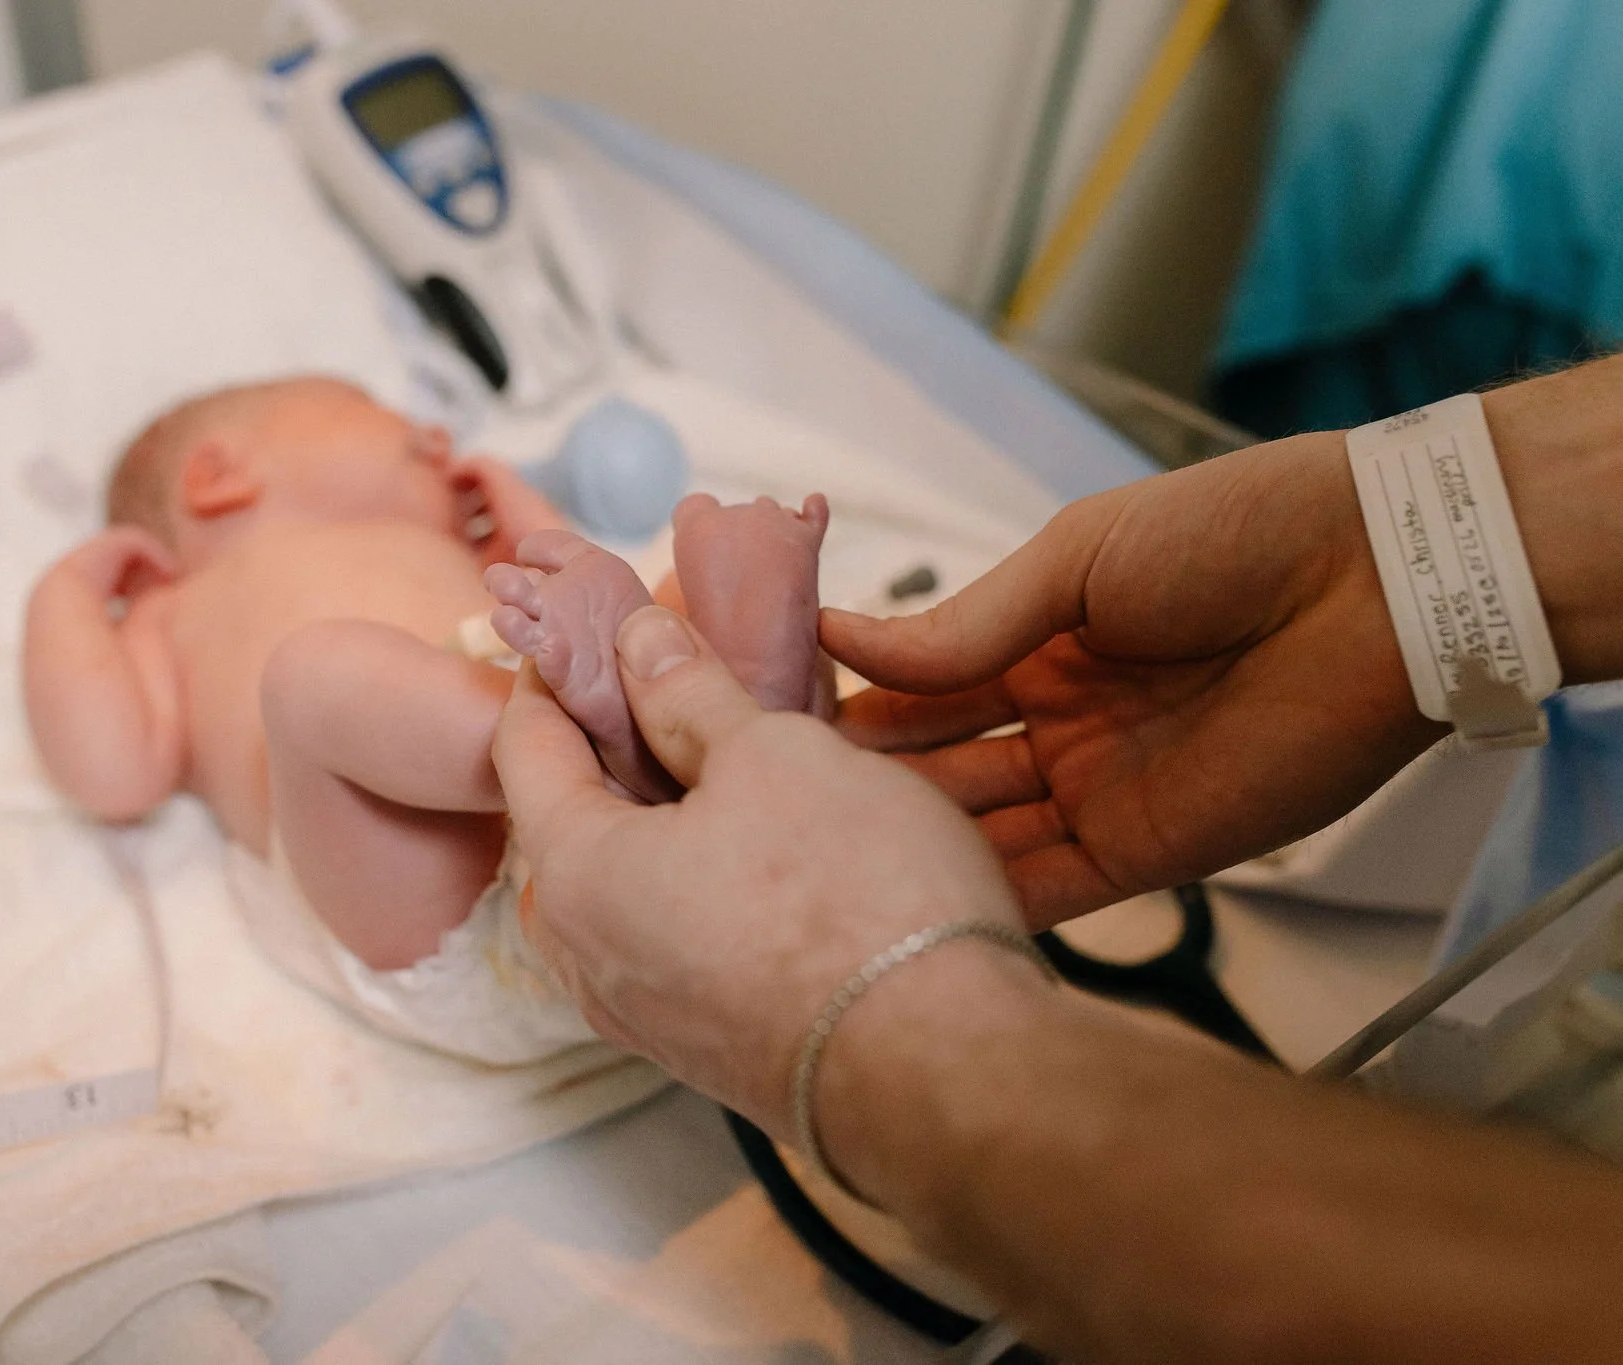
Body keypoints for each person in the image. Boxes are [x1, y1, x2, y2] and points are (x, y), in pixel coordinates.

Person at [493, 353, 1623, 1362]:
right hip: (597, 830)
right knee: (344, 683)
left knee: (342, 684)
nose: (420, 454)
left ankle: (712, 669)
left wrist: (900, 1039)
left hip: (594, 853)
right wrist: (1394, 565)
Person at [20, 375, 832, 1062]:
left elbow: (578, 601)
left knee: (668, 610)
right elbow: (111, 771)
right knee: (313, 676)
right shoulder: (171, 611)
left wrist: (529, 525)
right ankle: (620, 747)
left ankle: (746, 726)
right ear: (220, 474)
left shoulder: (459, 553)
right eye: (377, 407)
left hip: (622, 863)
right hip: (438, 905)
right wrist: (66, 595)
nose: (436, 434)